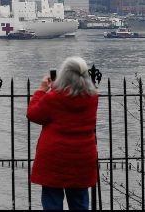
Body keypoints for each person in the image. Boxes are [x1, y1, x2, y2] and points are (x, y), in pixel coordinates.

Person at [27, 56, 99, 211]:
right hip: (82, 157)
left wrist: (41, 90)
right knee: (79, 202)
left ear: (64, 75)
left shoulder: (54, 97)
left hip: (55, 157)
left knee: (52, 200)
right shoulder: (93, 98)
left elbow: (33, 114)